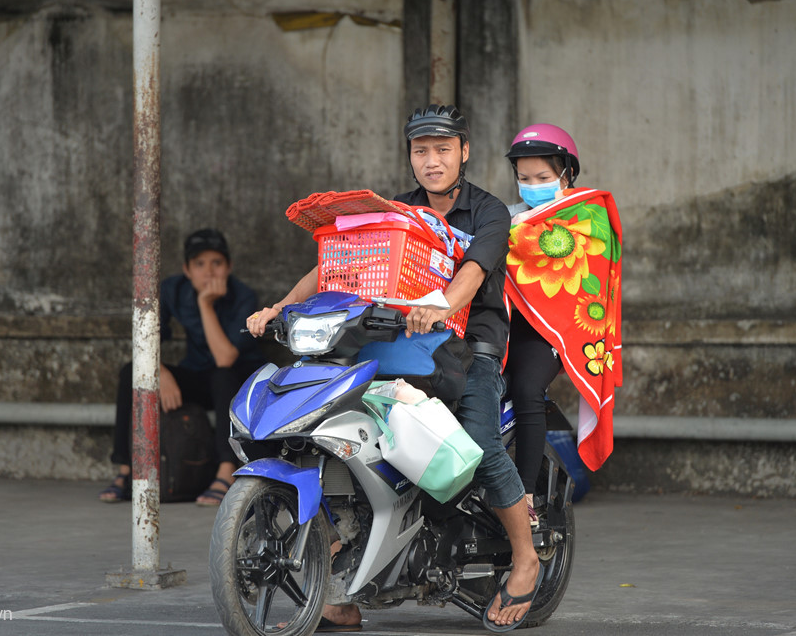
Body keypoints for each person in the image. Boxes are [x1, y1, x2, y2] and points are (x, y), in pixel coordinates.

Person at [248, 105, 542, 632]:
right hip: (395, 347)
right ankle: (338, 561)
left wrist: (444, 306)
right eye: (422, 151)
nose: (432, 161)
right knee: (328, 430)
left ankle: (525, 558)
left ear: (464, 152)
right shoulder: (395, 212)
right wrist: (279, 308)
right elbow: (334, 265)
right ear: (410, 156)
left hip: (470, 347)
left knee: (477, 442)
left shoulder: (489, 212)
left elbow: (474, 271)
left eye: (443, 150)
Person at [502, 123, 623, 518]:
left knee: (526, 390)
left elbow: (585, 271)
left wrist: (510, 239)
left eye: (543, 177)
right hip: (503, 325)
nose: (531, 185)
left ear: (566, 175)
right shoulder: (505, 215)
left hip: (553, 331)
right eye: (524, 178)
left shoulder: (589, 217)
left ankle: (525, 498)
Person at [99, 228, 266, 506]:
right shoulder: (173, 290)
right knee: (132, 370)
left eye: (217, 263)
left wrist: (205, 304)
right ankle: (125, 471)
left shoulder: (244, 296)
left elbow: (225, 358)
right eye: (199, 264)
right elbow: (146, 338)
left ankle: (225, 472)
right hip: (197, 375)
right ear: (187, 270)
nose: (208, 272)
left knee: (222, 375)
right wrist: (159, 371)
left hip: (236, 384)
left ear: (229, 267)